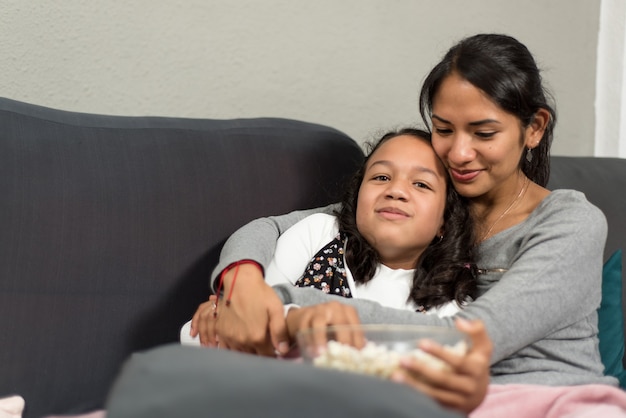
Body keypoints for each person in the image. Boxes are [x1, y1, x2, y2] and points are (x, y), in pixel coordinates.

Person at [190, 33, 626, 416]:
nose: (458, 153)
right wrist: (241, 286)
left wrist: (283, 307)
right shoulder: (433, 198)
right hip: (439, 398)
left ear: (533, 128)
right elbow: (271, 229)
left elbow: (463, 340)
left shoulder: (569, 223)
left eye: (483, 133)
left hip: (549, 399)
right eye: (443, 129)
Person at [181, 128, 491, 414]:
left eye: (421, 184)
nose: (396, 191)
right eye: (381, 177)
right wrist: (235, 314)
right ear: (356, 199)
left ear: (444, 223)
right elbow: (245, 325)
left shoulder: (451, 301)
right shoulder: (319, 234)